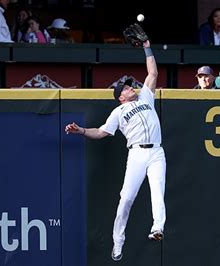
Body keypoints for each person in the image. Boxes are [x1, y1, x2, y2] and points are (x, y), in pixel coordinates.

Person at [65, 37, 166, 262]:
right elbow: (101, 133)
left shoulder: (146, 98)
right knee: (126, 199)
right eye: (126, 88)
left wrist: (148, 46)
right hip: (138, 153)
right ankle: (117, 241)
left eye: (130, 85)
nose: (131, 87)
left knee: (157, 190)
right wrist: (81, 130)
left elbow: (153, 74)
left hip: (157, 152)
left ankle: (157, 227)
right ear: (120, 96)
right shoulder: (118, 113)